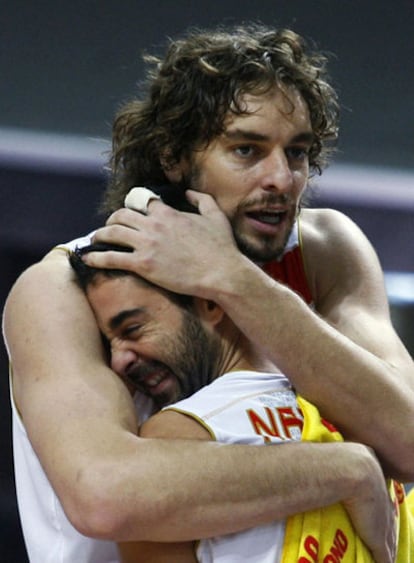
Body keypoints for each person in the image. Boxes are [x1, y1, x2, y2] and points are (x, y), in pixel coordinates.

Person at [2, 21, 413, 561]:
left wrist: (233, 278)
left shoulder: (322, 248)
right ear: (174, 156)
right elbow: (103, 494)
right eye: (246, 150)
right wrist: (347, 470)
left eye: (296, 153)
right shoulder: (62, 285)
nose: (282, 179)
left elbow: (406, 438)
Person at [68, 244, 413, 563]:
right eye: (109, 344)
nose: (119, 362)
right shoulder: (359, 408)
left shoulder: (179, 432)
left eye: (133, 328)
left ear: (210, 302)